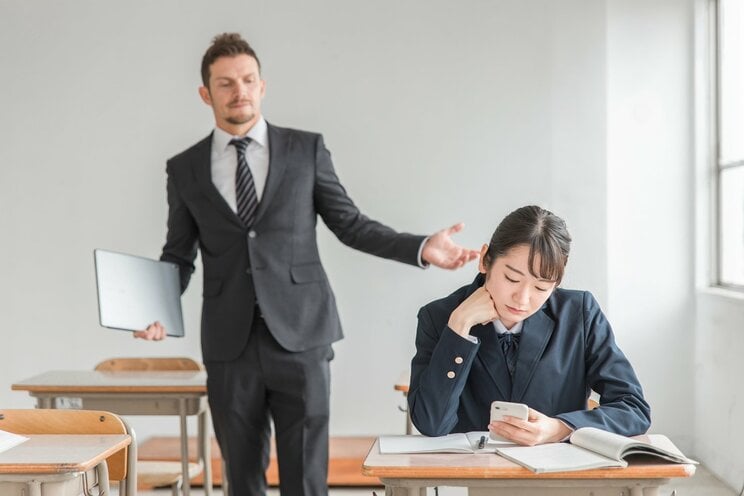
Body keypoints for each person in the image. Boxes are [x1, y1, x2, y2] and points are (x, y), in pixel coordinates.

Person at [134, 33, 478, 495]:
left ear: (262, 85)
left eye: (248, 80)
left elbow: (351, 224)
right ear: (205, 93)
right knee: (242, 475)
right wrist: (152, 307)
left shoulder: (305, 150)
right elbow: (178, 253)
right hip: (228, 342)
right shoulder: (185, 168)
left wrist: (420, 247)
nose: (239, 91)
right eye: (225, 83)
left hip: (302, 337)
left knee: (306, 477)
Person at [408, 205, 651, 446]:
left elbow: (633, 408)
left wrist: (560, 428)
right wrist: (458, 330)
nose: (522, 299)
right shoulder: (439, 317)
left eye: (541, 287)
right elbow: (432, 424)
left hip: (561, 477)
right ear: (485, 260)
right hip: (471, 479)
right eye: (512, 279)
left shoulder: (579, 313)